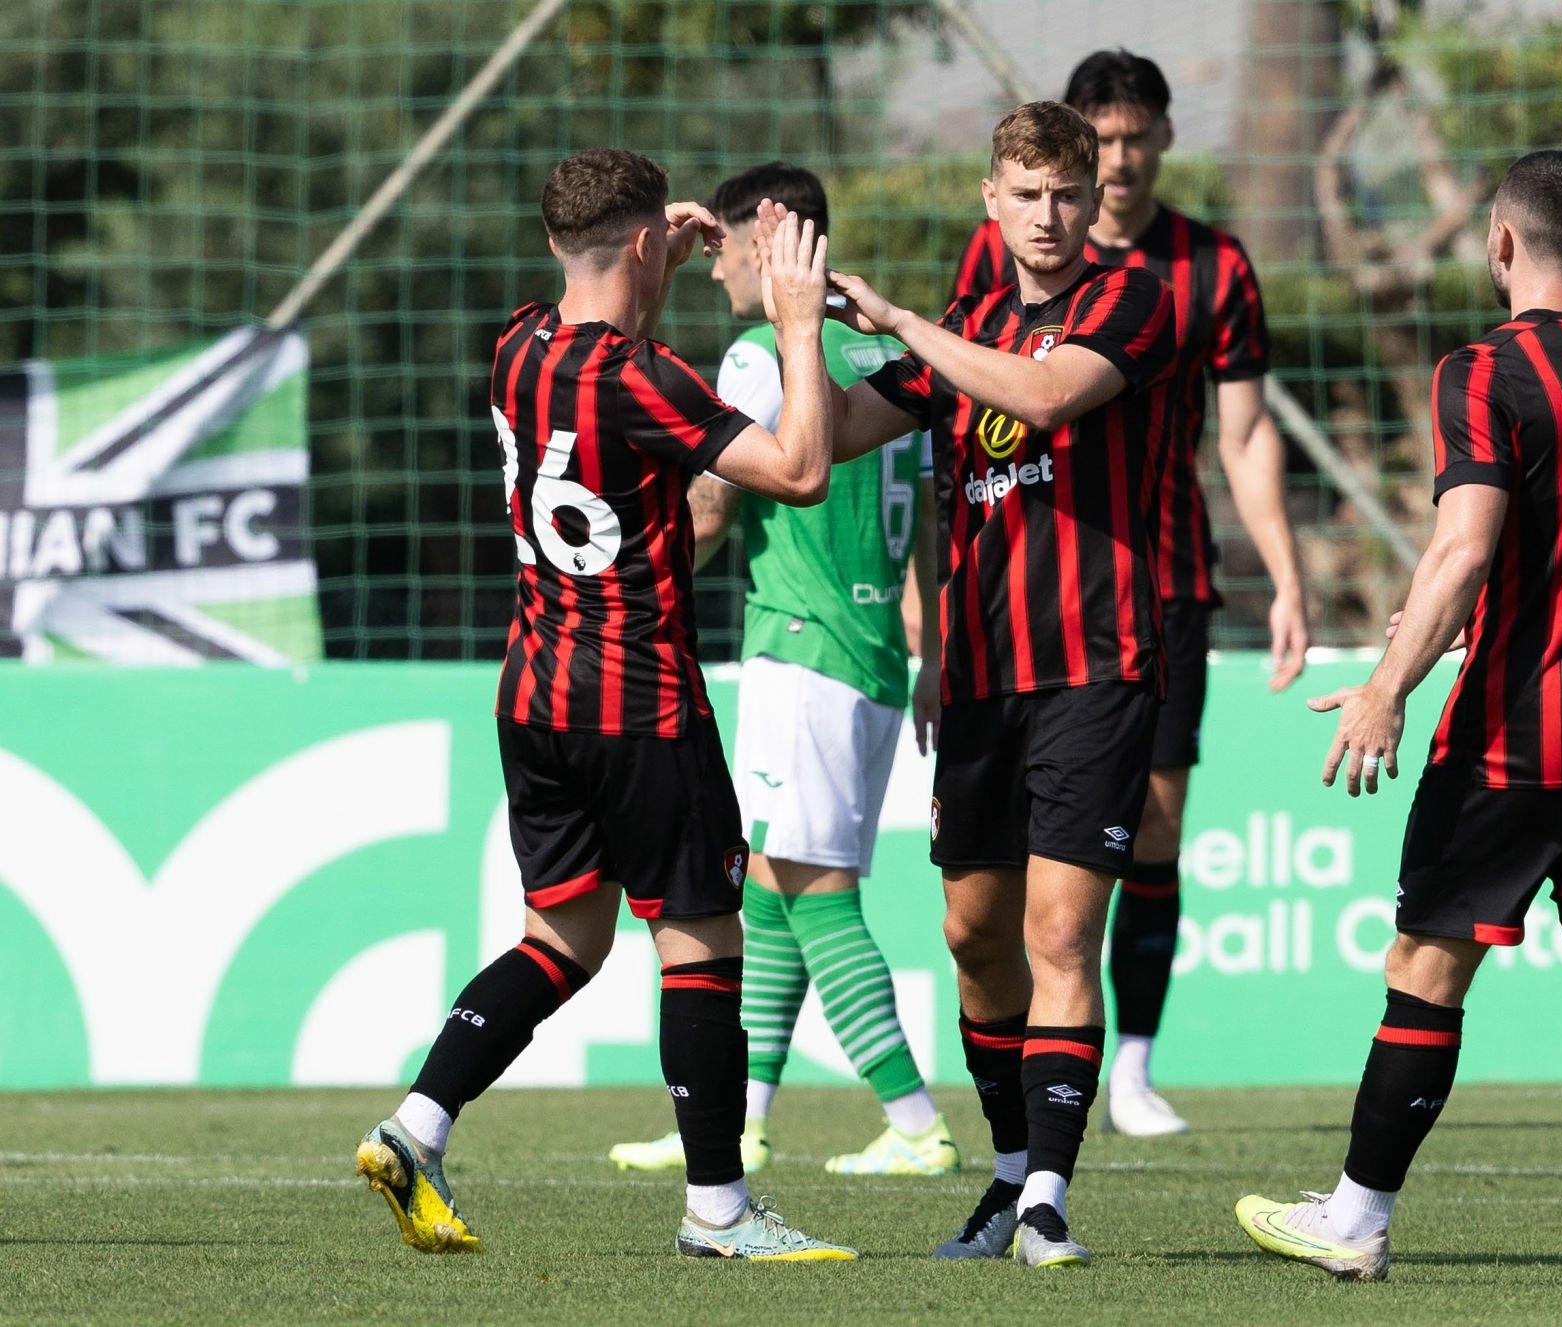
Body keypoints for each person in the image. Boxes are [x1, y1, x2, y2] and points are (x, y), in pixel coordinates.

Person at [353, 148, 853, 1261]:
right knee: (702, 944)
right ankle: (718, 1209)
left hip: (532, 692)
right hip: (638, 700)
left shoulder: (515, 346)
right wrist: (798, 322)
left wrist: (646, 251)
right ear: (644, 244)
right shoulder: (647, 378)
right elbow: (802, 469)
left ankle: (417, 1123)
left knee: (562, 937)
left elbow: (593, 306)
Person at [1234, 149, 1562, 1289]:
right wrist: (1440, 617)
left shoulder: (1484, 368)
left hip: (1519, 728)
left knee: (1422, 965)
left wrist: (1383, 688)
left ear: (1500, 243)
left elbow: (1463, 544)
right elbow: (1549, 550)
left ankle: (1354, 1217)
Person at [795, 100, 1178, 1267]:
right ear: (991, 202)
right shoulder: (961, 328)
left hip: (1096, 665)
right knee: (972, 935)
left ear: (1091, 197)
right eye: (1027, 193)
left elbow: (1048, 396)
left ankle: (1051, 1197)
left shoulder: (1129, 301)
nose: (1051, 214)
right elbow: (827, 447)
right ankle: (1008, 1173)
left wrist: (902, 322)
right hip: (980, 679)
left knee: (1061, 933)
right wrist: (788, 318)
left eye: (1067, 192)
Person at [954, 49, 1308, 1137]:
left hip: (1156, 590)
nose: (1110, 162)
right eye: (1091, 143)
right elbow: (963, 392)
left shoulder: (1205, 269)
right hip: (1012, 608)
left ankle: (1134, 1063)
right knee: (988, 902)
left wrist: (1286, 574)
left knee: (1151, 830)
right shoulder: (995, 250)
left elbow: (1243, 433)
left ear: (1160, 139)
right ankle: (1032, 1116)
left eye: (1129, 138)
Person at [605, 162, 959, 1180]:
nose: (713, 272)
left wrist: (629, 577)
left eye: (717, 248)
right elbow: (926, 518)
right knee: (766, 889)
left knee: (813, 893)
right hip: (872, 658)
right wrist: (928, 644)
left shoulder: (765, 353)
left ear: (767, 234)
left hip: (799, 647)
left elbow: (713, 507)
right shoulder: (889, 353)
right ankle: (739, 1121)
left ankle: (912, 1118)